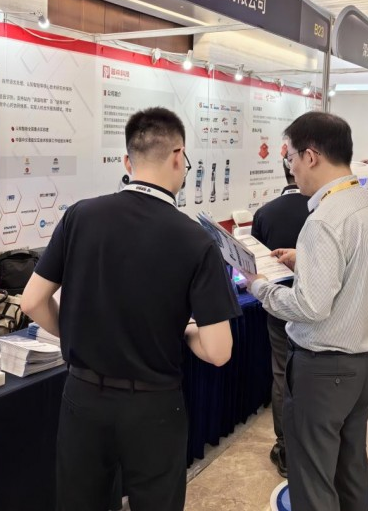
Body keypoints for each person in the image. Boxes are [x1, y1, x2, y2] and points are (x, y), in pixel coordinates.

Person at [20, 107, 239, 511]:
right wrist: (186, 331)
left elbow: (32, 301)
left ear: (127, 162)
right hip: (153, 406)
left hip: (83, 396)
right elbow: (219, 351)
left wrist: (75, 335)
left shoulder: (80, 216)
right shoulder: (196, 240)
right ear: (178, 156)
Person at [243, 111, 368, 511]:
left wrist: (258, 285)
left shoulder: (325, 219)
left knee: (312, 478)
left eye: (291, 157)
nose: (291, 167)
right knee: (350, 470)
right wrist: (305, 261)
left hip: (323, 370)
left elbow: (309, 306)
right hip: (362, 363)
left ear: (310, 156)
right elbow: (358, 271)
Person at [251, 158, 311, 477]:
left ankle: (285, 447)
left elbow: (254, 265)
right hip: (319, 309)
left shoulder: (265, 213)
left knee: (281, 374)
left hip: (278, 305)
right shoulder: (324, 211)